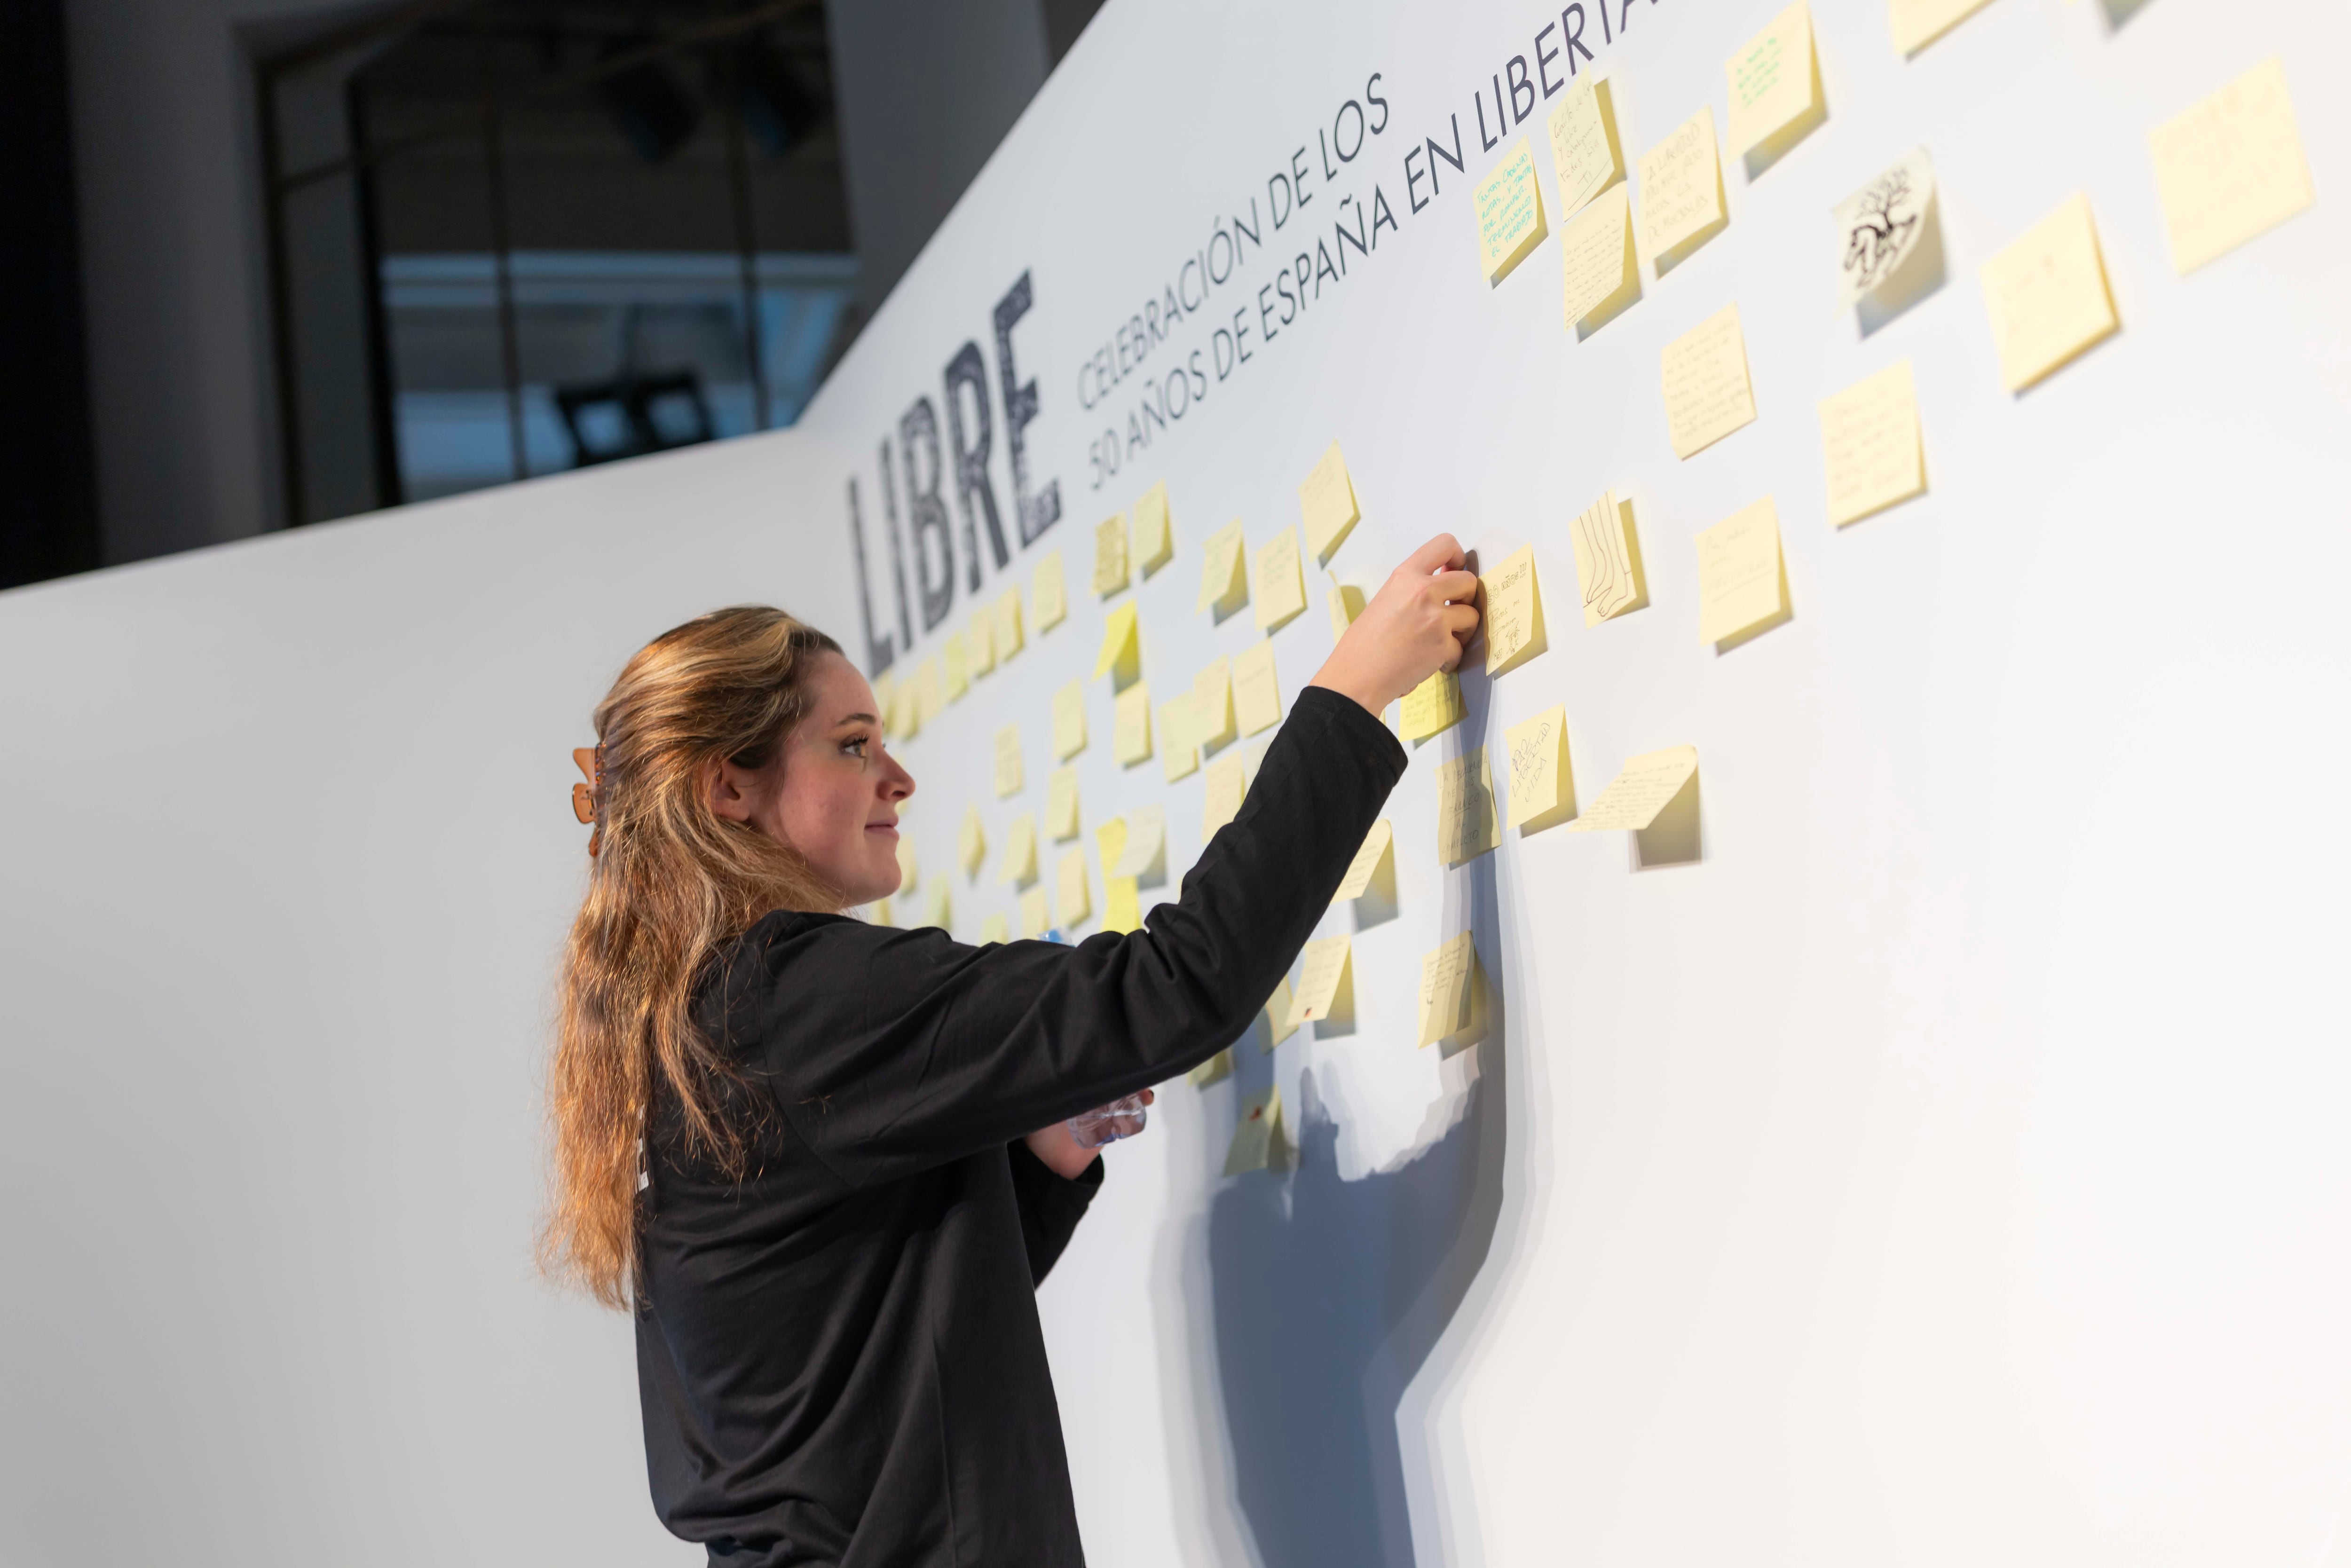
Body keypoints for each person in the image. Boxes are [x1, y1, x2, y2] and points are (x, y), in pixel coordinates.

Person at [542, 533, 1482, 1566]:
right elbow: (1180, 985)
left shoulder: (698, 1023)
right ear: (731, 790)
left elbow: (864, 1363)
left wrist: (1039, 1157)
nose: (897, 778)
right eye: (852, 745)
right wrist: (1354, 689)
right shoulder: (792, 999)